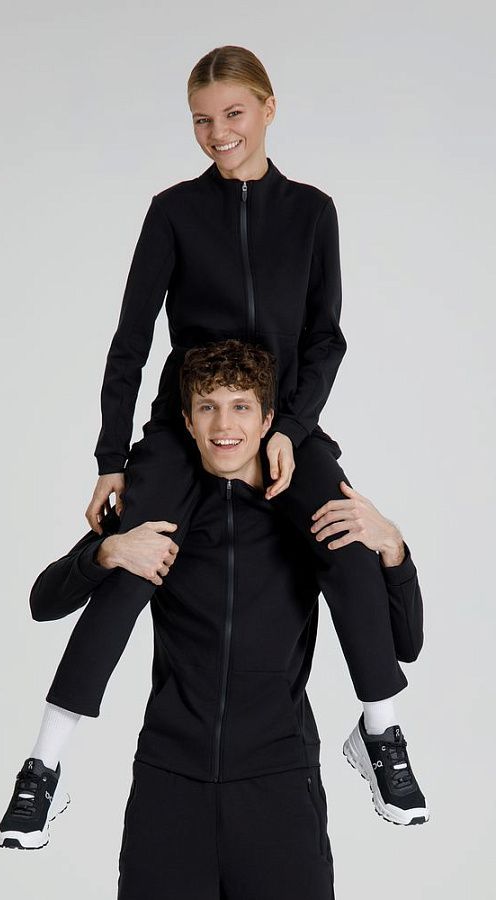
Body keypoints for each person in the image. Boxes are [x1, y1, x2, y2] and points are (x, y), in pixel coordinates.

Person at [31, 45, 420, 794]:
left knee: (343, 535)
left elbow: (325, 338)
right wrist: (111, 459)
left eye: (233, 114)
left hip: (282, 425)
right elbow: (129, 343)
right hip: (186, 430)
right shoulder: (174, 212)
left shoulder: (311, 212)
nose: (218, 134)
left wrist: (290, 431)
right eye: (201, 121)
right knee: (136, 559)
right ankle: (44, 764)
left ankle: (380, 732)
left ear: (269, 109)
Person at [0, 342, 428, 898]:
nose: (225, 426)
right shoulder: (161, 515)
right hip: (169, 787)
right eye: (208, 407)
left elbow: (405, 643)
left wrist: (393, 546)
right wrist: (106, 552)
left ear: (269, 422)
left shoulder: (306, 517)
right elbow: (43, 602)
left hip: (279, 788)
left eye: (241, 407)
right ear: (187, 420)